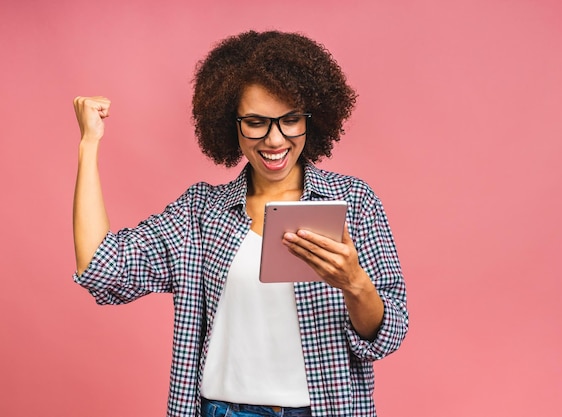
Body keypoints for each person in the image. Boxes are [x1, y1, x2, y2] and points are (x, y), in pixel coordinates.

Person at [72, 30, 408, 417]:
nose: (274, 139)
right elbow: (100, 267)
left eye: (290, 119)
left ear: (311, 119)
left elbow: (387, 336)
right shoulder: (201, 213)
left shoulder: (354, 202)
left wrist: (354, 283)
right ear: (230, 123)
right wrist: (89, 144)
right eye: (256, 122)